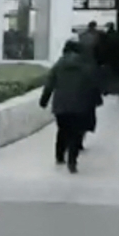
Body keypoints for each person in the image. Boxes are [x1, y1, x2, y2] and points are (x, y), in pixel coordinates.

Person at [39, 39, 101, 173]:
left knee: (62, 130)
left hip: (61, 104)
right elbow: (93, 85)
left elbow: (49, 84)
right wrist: (96, 101)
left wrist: (44, 100)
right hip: (80, 105)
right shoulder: (85, 66)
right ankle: (72, 161)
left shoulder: (58, 65)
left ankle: (59, 156)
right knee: (76, 133)